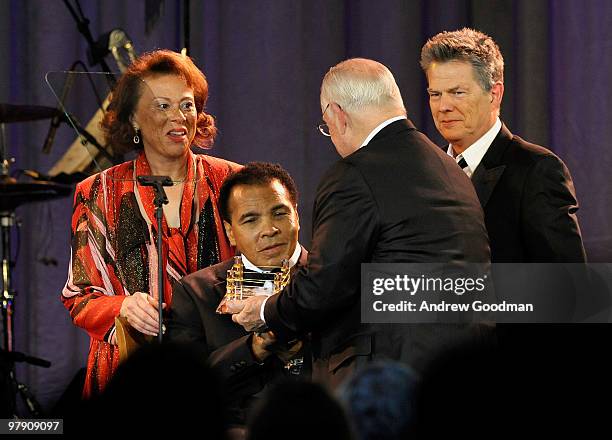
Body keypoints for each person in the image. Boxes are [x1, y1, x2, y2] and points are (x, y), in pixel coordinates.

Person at [230, 58, 490, 388]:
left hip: (392, 377)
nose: (332, 136)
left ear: (338, 115)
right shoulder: (449, 168)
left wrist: (265, 310)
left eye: (327, 126)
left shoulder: (354, 175)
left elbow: (324, 287)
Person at [61, 49, 240, 398]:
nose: (179, 117)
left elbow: (262, 268)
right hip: (129, 376)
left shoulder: (231, 181)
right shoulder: (99, 192)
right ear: (133, 120)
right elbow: (79, 297)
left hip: (218, 370)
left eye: (187, 105)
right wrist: (123, 307)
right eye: (162, 106)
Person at [420, 28, 586, 263]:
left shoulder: (537, 171)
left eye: (457, 92)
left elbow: (567, 285)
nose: (443, 106)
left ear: (494, 94)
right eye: (435, 94)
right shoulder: (426, 173)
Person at [165, 162, 309, 427]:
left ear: (296, 216)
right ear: (230, 231)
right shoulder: (196, 292)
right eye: (251, 219)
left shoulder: (333, 277)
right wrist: (253, 349)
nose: (269, 230)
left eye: (279, 213)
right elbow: (185, 389)